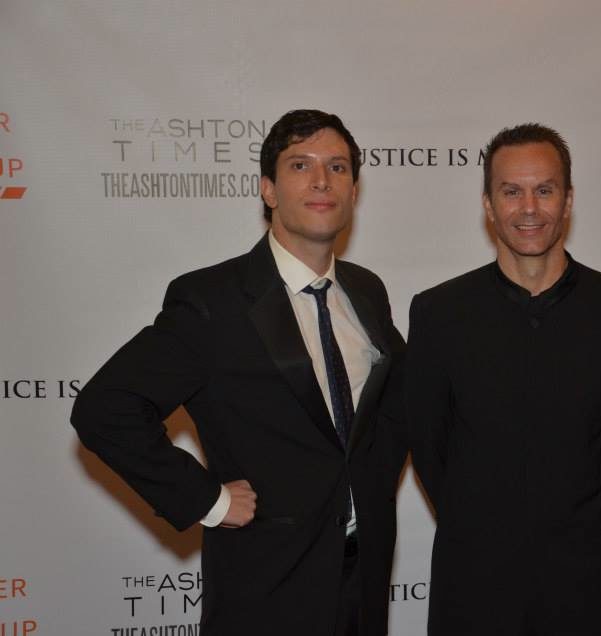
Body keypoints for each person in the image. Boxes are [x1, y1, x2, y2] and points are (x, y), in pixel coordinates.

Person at [71, 109, 406, 636]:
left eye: (338, 167)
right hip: (264, 586)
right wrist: (207, 498)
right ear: (268, 189)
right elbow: (104, 409)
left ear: (354, 189)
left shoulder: (366, 291)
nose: (322, 180)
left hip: (361, 580)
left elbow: (391, 410)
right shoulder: (212, 301)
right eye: (301, 165)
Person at [406, 123, 601, 636]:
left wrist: (577, 523)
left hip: (581, 583)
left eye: (544, 190)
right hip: (471, 580)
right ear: (487, 203)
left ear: (567, 201)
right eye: (512, 191)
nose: (529, 208)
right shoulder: (438, 314)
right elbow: (429, 446)